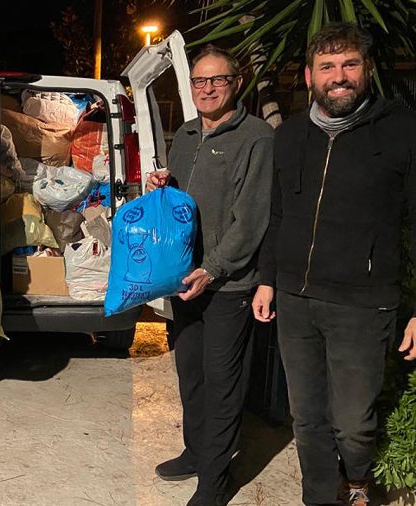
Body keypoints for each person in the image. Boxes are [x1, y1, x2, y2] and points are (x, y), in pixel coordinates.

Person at [252, 23, 416, 506]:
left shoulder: (403, 130)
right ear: (309, 76)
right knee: (307, 416)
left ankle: (358, 479)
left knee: (353, 422)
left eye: (349, 65)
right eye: (327, 67)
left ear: (367, 70)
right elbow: (278, 213)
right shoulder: (291, 136)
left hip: (363, 306)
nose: (338, 76)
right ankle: (320, 496)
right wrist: (267, 281)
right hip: (297, 300)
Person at [147, 46, 274, 505]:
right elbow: (183, 202)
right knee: (190, 374)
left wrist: (213, 268)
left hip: (227, 284)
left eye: (216, 80)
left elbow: (251, 218)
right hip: (185, 279)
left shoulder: (256, 137)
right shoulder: (184, 134)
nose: (206, 89)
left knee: (224, 383)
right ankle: (196, 452)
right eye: (199, 82)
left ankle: (215, 480)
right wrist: (163, 186)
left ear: (235, 83)